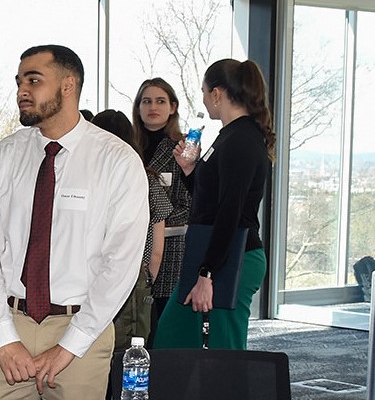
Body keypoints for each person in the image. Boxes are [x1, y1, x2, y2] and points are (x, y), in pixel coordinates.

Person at [0, 45, 148, 400]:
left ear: (69, 85)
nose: (21, 91)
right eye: (18, 82)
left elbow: (121, 264)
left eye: (34, 80)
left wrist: (71, 345)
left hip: (81, 325)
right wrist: (3, 338)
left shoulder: (116, 160)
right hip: (8, 322)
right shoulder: (3, 157)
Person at [153, 59, 275, 351]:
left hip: (232, 256)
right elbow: (210, 202)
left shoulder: (242, 140)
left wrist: (208, 273)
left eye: (205, 93)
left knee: (224, 348)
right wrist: (190, 170)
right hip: (213, 253)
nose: (205, 100)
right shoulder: (228, 136)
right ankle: (182, 397)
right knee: (173, 337)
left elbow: (230, 213)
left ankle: (230, 399)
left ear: (218, 94)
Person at [89, 109, 172, 354]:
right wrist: (147, 280)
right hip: (135, 276)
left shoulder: (87, 178)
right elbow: (157, 250)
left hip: (90, 273)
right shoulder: (147, 179)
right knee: (129, 350)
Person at [131, 78, 191, 346]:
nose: (152, 107)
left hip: (170, 249)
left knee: (160, 331)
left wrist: (152, 221)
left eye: (160, 101)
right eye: (146, 101)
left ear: (173, 107)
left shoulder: (183, 147)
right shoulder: (126, 147)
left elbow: (189, 206)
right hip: (130, 247)